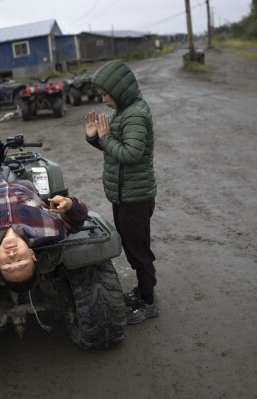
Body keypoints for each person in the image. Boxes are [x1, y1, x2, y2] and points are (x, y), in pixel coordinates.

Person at [84, 60, 158, 325]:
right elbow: (113, 148)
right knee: (131, 247)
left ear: (119, 89)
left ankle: (149, 302)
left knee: (139, 252)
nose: (103, 99)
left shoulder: (136, 113)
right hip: (123, 196)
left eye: (105, 94)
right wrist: (95, 137)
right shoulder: (123, 112)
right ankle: (142, 291)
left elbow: (131, 153)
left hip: (135, 198)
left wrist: (105, 138)